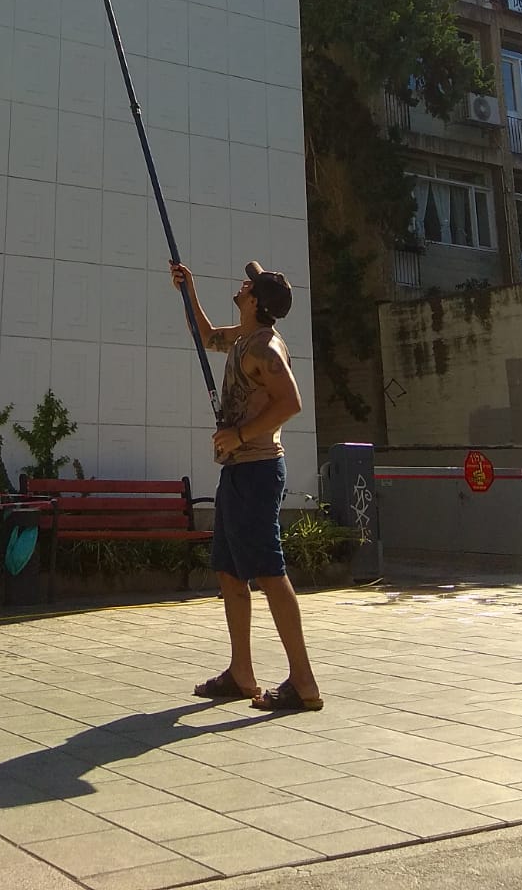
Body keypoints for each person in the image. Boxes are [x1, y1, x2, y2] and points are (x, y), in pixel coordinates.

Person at [169, 259, 323, 713]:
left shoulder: (265, 348)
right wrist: (188, 291)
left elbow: (291, 402)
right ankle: (241, 674)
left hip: (257, 471)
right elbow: (206, 336)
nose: (242, 285)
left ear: (255, 301)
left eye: (249, 285)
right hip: (237, 472)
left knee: (269, 572)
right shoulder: (244, 337)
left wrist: (239, 435)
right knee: (230, 572)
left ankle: (304, 683)